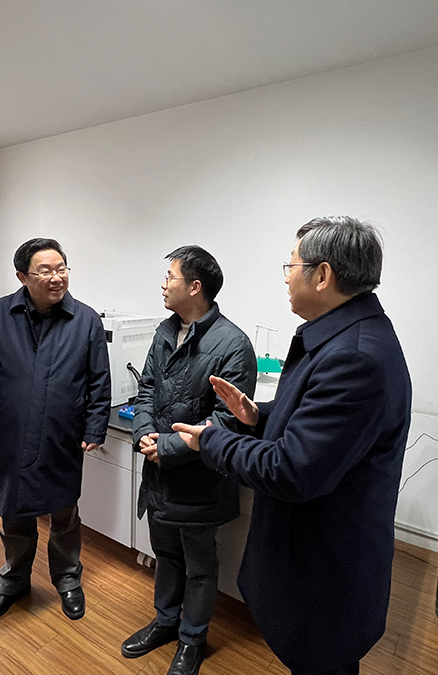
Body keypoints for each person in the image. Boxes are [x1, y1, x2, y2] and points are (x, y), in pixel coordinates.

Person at [173, 217, 412, 675]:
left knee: (323, 662)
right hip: (316, 553)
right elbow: (313, 421)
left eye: (291, 265)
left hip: (326, 567)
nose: (286, 277)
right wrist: (258, 416)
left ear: (322, 275)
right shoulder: (343, 337)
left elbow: (293, 469)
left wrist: (213, 440)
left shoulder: (354, 357)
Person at [121, 246, 256, 675]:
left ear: (195, 287)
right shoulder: (165, 331)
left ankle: (192, 640)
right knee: (165, 553)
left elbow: (225, 421)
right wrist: (144, 432)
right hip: (158, 475)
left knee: (199, 564)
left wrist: (167, 448)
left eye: (170, 277)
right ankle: (165, 622)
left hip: (200, 478)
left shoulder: (233, 345)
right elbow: (146, 389)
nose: (163, 285)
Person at [0, 237, 111, 626]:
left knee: (65, 515)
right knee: (14, 515)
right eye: (45, 271)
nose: (57, 277)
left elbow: (99, 381)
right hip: (10, 436)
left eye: (62, 269)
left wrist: (95, 426)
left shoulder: (86, 320)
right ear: (22, 276)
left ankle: (68, 580)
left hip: (62, 436)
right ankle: (13, 582)